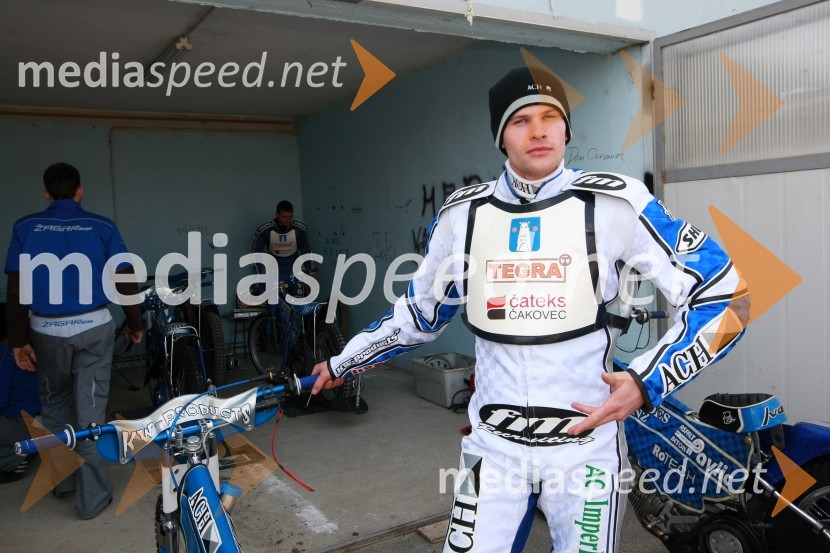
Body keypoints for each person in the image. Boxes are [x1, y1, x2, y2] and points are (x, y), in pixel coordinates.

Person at [311, 65, 749, 552]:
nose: (539, 131)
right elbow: (418, 315)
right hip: (493, 449)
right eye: (520, 121)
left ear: (566, 127)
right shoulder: (463, 215)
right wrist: (343, 361)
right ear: (502, 138)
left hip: (586, 450)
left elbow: (727, 294)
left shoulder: (614, 203)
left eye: (550, 117)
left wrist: (648, 382)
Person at [4, 162, 143, 519]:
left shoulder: (25, 226)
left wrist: (18, 340)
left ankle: (63, 482)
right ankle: (92, 499)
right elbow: (124, 277)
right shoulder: (102, 226)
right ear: (80, 191)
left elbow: (16, 288)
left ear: (46, 193)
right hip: (94, 329)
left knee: (52, 407)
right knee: (90, 414)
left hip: (46, 331)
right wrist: (135, 323)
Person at [0, 303, 40, 484]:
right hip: (45, 419)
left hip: (20, 424)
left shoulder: (4, 352)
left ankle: (18, 457)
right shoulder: (34, 347)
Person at [251, 200, 316, 286]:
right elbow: (256, 253)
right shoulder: (264, 230)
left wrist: (311, 271)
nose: (287, 220)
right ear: (277, 214)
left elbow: (306, 250)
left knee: (298, 298)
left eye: (290, 216)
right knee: (274, 299)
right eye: (284, 216)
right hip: (274, 272)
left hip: (295, 272)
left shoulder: (300, 229)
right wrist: (258, 276)